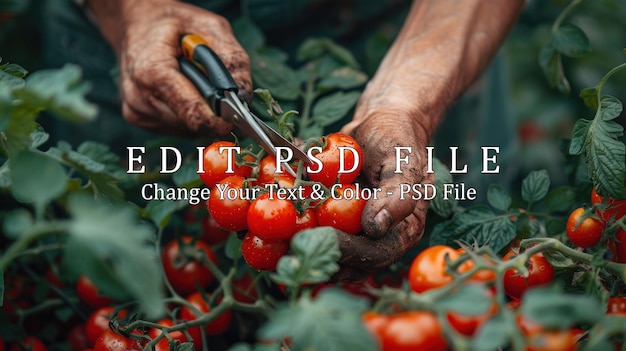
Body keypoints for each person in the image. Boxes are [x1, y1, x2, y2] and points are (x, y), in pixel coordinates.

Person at [58, 0, 525, 281]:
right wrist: (127, 10)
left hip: (412, 30)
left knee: (456, 262)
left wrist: (407, 107)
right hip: (118, 42)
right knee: (126, 265)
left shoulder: (266, 188)